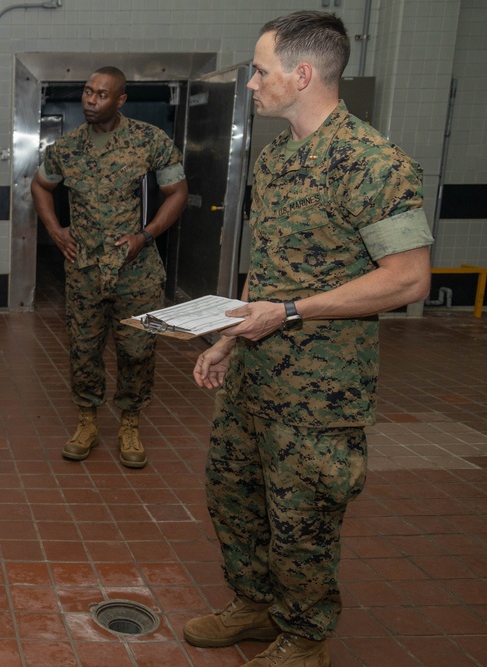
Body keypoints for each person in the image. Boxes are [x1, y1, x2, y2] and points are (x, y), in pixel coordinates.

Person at [183, 11, 433, 667]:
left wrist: (291, 311)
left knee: (302, 518)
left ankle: (305, 635)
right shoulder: (275, 159)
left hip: (319, 391)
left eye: (260, 70)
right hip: (253, 374)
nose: (252, 83)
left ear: (302, 74)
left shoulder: (374, 163)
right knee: (233, 494)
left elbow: (408, 280)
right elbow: (266, 269)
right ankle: (255, 604)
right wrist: (228, 337)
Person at [31, 66, 188, 469]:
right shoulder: (66, 148)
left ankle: (130, 423)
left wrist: (147, 235)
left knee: (137, 349)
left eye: (101, 95)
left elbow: (177, 193)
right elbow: (40, 186)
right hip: (83, 271)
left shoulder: (149, 141)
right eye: (86, 92)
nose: (90, 100)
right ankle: (87, 423)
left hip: (135, 271)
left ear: (120, 100)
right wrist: (54, 229)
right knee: (84, 351)